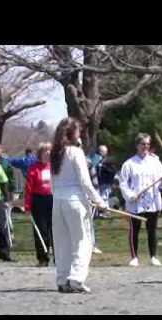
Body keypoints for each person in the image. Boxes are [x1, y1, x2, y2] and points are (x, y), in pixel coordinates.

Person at [50, 118, 107, 293]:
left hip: (58, 201)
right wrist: (99, 201)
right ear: (72, 134)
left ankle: (62, 279)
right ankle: (75, 278)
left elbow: (53, 181)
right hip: (75, 201)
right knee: (83, 241)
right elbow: (85, 181)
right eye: (78, 132)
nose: (80, 135)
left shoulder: (55, 152)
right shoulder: (75, 152)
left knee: (62, 243)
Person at [119, 133, 162, 267]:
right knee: (135, 229)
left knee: (152, 230)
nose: (145, 147)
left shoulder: (155, 162)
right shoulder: (129, 164)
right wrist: (131, 195)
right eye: (143, 144)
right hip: (136, 203)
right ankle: (134, 257)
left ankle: (153, 256)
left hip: (152, 201)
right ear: (137, 145)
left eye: (147, 144)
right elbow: (123, 183)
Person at [24, 142, 53, 267]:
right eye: (45, 151)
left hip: (53, 199)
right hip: (39, 201)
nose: (48, 153)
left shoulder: (54, 167)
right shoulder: (34, 168)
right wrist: (27, 206)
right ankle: (43, 258)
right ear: (40, 153)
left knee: (56, 229)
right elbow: (29, 188)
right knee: (41, 230)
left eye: (49, 151)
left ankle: (60, 257)